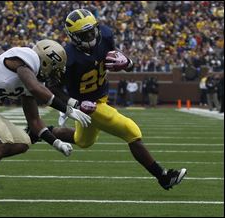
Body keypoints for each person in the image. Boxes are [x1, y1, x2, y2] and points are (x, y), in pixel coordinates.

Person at [45, 9, 187, 191]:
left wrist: (128, 63)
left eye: (91, 31)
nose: (91, 37)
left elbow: (122, 62)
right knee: (132, 132)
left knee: (82, 141)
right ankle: (163, 176)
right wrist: (75, 104)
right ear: (73, 36)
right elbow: (53, 88)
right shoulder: (67, 57)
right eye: (84, 34)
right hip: (89, 105)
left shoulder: (105, 35)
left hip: (100, 96)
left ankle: (41, 131)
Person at [0, 39, 91, 206]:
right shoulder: (28, 57)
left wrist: (56, 142)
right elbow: (35, 88)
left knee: (22, 141)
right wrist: (68, 109)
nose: (54, 73)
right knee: (4, 140)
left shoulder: (33, 78)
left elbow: (34, 122)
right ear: (46, 60)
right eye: (54, 68)